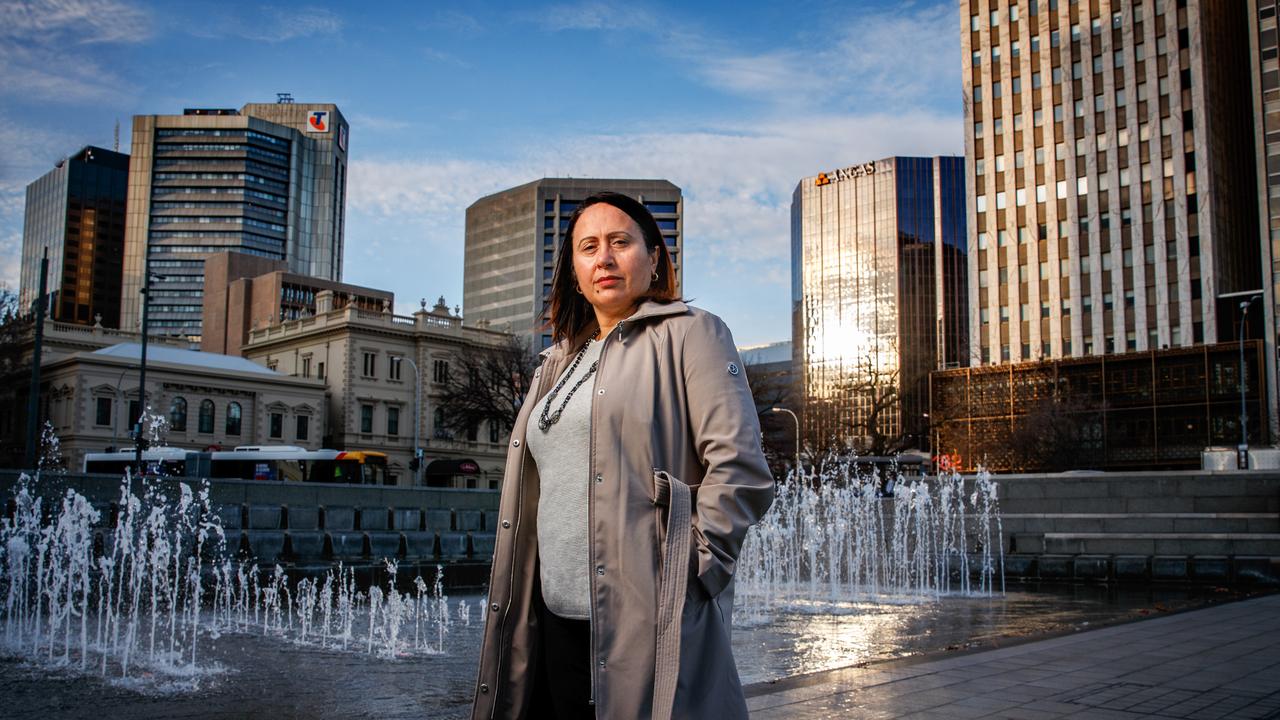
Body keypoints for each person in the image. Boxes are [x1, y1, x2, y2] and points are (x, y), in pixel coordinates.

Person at [471, 191, 775, 720]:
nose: (604, 258)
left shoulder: (691, 332)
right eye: (588, 247)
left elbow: (739, 467)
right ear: (573, 268)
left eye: (620, 242)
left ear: (653, 257)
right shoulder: (557, 362)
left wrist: (692, 571)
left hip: (645, 615)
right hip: (553, 618)